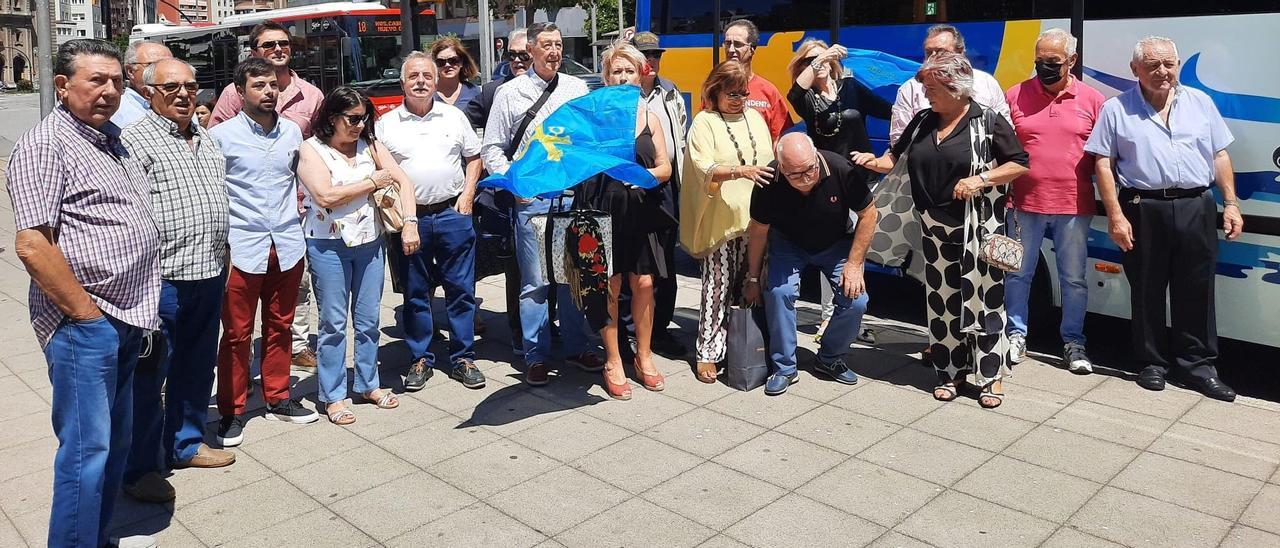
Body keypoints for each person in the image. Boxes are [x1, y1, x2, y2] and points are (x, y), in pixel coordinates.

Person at [7, 39, 160, 548]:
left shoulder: (109, 137)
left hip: (124, 317)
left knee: (113, 445)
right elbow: (32, 244)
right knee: (85, 453)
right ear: (62, 86)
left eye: (117, 80)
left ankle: (94, 536)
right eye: (97, 80)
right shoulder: (45, 145)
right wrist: (88, 316)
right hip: (84, 325)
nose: (110, 90)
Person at [853, 52, 1029, 408]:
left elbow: (1018, 164)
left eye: (933, 88)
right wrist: (872, 161)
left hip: (977, 229)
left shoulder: (988, 121)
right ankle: (950, 372)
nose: (926, 94)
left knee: (984, 300)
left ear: (956, 88)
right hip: (933, 227)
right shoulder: (922, 120)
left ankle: (990, 376)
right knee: (942, 302)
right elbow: (894, 158)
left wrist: (981, 179)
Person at [1084, 36, 1243, 402]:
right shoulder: (1116, 109)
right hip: (1143, 207)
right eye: (1153, 65)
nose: (1163, 71)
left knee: (1197, 289)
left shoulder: (1200, 103)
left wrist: (1231, 204)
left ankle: (1198, 366)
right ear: (1135, 70)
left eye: (1169, 63)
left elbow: (1219, 155)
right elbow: (1103, 162)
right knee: (1146, 287)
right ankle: (1151, 363)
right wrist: (1115, 215)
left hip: (1195, 205)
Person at [119, 58, 235, 506]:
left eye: (190, 86)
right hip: (161, 277)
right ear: (150, 92)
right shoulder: (135, 140)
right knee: (150, 374)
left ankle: (185, 445)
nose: (185, 95)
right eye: (171, 88)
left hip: (207, 270)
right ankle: (141, 467)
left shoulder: (203, 136)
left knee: (196, 364)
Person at [481, 21, 602, 385]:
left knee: (571, 278)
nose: (554, 51)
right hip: (531, 199)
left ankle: (576, 346)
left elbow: (588, 140)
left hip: (569, 197)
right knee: (535, 282)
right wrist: (517, 185)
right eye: (546, 44)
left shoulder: (576, 88)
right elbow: (492, 149)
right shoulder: (510, 93)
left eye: (559, 44)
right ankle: (535, 354)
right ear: (531, 50)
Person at [211, 58, 319, 447]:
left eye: (273, 85)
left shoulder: (292, 133)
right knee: (237, 334)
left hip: (287, 244)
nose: (269, 92)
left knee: (282, 325)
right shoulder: (221, 137)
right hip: (242, 246)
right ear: (240, 92)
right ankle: (232, 411)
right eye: (259, 85)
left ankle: (278, 397)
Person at [208, 21, 325, 370]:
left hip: (294, 217)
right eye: (269, 44)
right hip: (245, 230)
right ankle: (234, 400)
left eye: (283, 43)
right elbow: (218, 157)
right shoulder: (229, 109)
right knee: (237, 328)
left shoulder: (310, 97)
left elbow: (319, 147)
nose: (278, 49)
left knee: (289, 308)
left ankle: (287, 370)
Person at [297, 87, 418, 423]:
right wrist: (371, 182)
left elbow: (403, 181)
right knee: (334, 324)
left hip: (370, 243)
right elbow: (325, 196)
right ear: (332, 117)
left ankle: (368, 384)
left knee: (368, 321)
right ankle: (333, 395)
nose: (359, 124)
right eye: (352, 118)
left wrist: (410, 223)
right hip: (328, 246)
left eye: (365, 117)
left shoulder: (371, 145)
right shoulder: (311, 150)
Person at [377, 52, 486, 391]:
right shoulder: (386, 124)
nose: (421, 81)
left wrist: (467, 196)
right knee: (415, 292)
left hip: (452, 213)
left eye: (427, 75)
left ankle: (463, 357)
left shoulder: (453, 117)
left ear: (436, 80)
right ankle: (420, 357)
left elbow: (474, 158)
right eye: (414, 76)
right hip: (411, 221)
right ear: (403, 83)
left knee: (461, 289)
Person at [572, 44, 674, 400]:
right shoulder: (594, 114)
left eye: (629, 70)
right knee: (610, 286)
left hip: (643, 211)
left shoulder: (651, 115)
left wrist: (646, 176)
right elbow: (576, 160)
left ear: (641, 73)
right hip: (604, 213)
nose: (623, 77)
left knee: (644, 284)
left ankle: (643, 356)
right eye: (617, 71)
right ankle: (613, 360)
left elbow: (665, 167)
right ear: (606, 77)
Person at [1004, 29, 1105, 372]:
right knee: (1018, 274)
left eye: (1053, 62)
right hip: (1022, 203)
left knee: (1073, 278)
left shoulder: (1093, 100)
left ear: (1072, 61)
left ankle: (1074, 343)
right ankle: (1016, 336)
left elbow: (1105, 157)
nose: (1044, 68)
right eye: (1039, 61)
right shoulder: (1015, 95)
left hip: (1074, 205)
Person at [744, 133, 876, 395]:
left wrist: (854, 264)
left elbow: (869, 213)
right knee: (779, 292)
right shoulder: (769, 180)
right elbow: (758, 231)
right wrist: (753, 278)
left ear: (816, 156)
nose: (806, 178)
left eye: (810, 169)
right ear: (781, 167)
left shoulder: (839, 168)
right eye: (795, 174)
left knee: (856, 299)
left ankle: (830, 357)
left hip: (835, 241)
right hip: (788, 243)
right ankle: (783, 367)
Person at [786, 38, 891, 343]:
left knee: (856, 253)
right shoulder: (807, 100)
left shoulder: (852, 89)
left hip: (860, 182)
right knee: (829, 250)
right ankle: (828, 318)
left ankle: (849, 319)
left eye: (819, 60)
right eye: (808, 62)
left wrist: (879, 157)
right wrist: (822, 59)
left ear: (833, 62)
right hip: (826, 183)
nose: (815, 65)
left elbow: (892, 110)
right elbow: (794, 92)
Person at [680, 60, 776, 384]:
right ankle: (707, 352)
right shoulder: (704, 122)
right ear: (715, 91)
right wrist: (740, 170)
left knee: (751, 283)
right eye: (732, 93)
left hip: (756, 219)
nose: (739, 99)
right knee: (717, 285)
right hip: (720, 220)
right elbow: (702, 166)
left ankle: (742, 347)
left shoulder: (756, 118)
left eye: (743, 93)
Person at [466, 27, 529, 352]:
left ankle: (549, 327)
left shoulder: (552, 88)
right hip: (507, 197)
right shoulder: (493, 92)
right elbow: (464, 124)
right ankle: (518, 333)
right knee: (517, 268)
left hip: (545, 192)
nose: (517, 60)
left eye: (524, 54)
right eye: (512, 55)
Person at [628, 31, 688, 358]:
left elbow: (680, 138)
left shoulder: (670, 93)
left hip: (664, 188)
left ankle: (660, 329)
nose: (650, 61)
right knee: (631, 267)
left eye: (655, 55)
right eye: (644, 55)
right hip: (629, 190)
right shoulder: (622, 94)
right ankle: (628, 331)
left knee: (665, 265)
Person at [889, 24, 1011, 146]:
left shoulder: (987, 83)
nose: (933, 57)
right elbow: (899, 141)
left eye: (941, 52)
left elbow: (1006, 135)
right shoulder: (909, 89)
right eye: (928, 52)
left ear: (960, 52)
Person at [722, 19, 793, 141]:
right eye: (728, 43)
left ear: (752, 49)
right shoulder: (714, 88)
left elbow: (778, 138)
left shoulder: (769, 91)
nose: (731, 49)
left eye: (738, 44)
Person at [111, 41, 171, 129]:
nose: (166, 72)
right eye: (153, 66)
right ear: (130, 71)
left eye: (170, 65)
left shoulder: (184, 104)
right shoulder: (115, 112)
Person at [431, 36, 481, 111]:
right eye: (441, 62)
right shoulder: (429, 93)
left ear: (461, 62)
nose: (447, 65)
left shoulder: (474, 92)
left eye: (453, 60)